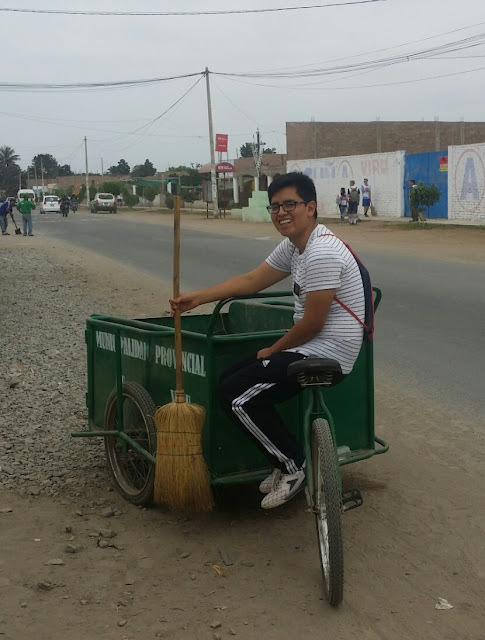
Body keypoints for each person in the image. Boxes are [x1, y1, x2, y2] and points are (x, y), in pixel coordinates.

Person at [170, 172, 365, 509]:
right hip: (310, 347)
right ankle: (284, 459)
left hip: (328, 354)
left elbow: (313, 323)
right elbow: (251, 280)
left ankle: (293, 466)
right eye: (275, 207)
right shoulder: (296, 247)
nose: (281, 213)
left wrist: (274, 349)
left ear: (311, 207)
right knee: (230, 378)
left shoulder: (321, 251)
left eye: (290, 204)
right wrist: (197, 298)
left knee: (235, 396)